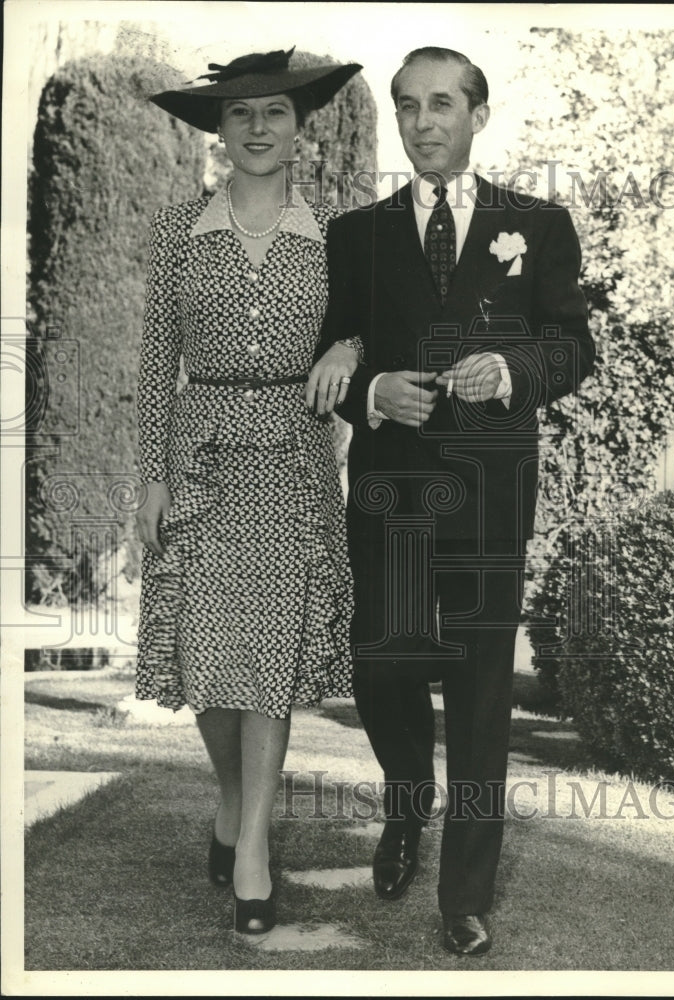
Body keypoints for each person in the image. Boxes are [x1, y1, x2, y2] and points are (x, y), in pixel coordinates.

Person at [307, 46, 595, 956]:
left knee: (477, 690)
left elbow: (575, 348)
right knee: (382, 665)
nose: (421, 122)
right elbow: (332, 351)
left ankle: (462, 895)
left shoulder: (538, 225)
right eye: (405, 107)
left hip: (491, 490)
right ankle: (406, 796)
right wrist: (370, 388)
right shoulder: (357, 234)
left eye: (439, 104)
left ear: (477, 113)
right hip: (391, 487)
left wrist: (513, 369)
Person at [135, 48, 362, 936]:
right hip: (198, 458)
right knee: (206, 651)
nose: (259, 128)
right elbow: (156, 365)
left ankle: (255, 848)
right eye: (241, 115)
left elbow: (370, 329)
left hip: (293, 462)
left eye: (274, 112)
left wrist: (347, 349)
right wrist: (149, 476)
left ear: (300, 126)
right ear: (218, 132)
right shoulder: (176, 230)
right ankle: (233, 801)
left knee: (267, 657)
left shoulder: (340, 231)